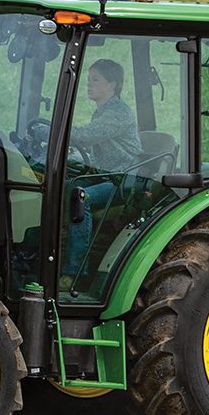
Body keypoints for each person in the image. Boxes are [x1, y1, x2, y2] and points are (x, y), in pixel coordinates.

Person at [64, 57, 141, 281]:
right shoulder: (102, 111)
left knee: (80, 198)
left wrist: (52, 131)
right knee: (64, 186)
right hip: (105, 175)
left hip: (122, 181)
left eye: (95, 80)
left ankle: (75, 272)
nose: (89, 85)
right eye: (88, 80)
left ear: (112, 85)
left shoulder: (118, 113)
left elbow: (86, 135)